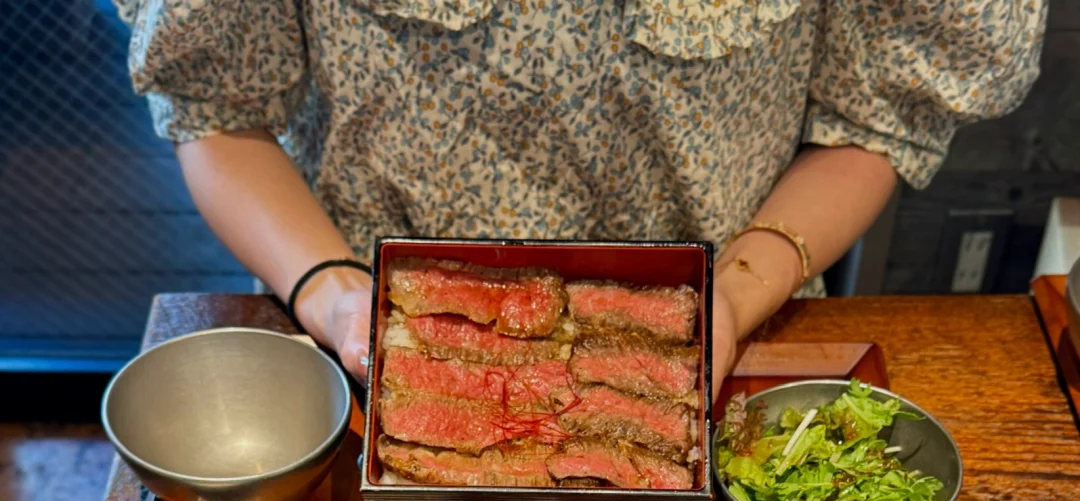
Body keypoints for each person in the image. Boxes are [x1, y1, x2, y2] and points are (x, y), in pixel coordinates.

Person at [116, 2, 1045, 388]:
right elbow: (216, 109)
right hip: (378, 358)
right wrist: (332, 293)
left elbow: (872, 121)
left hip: (714, 353)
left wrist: (730, 297)